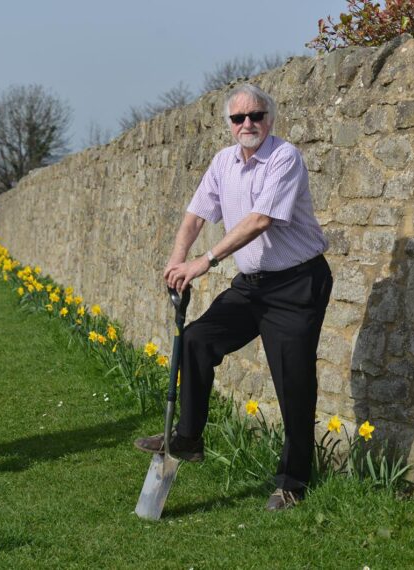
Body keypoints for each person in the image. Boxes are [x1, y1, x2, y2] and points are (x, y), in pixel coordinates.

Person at [134, 84, 333, 511]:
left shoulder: (285, 158)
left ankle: (292, 483)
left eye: (256, 116)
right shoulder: (223, 162)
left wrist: (204, 260)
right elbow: (196, 213)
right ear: (228, 125)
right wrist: (176, 260)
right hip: (252, 285)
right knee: (196, 339)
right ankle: (188, 437)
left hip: (296, 284)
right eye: (238, 119)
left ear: (270, 119)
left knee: (293, 383)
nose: (248, 124)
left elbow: (260, 220)